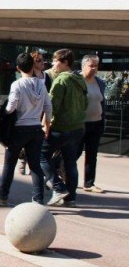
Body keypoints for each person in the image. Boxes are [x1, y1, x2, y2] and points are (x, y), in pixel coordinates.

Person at [0, 53, 52, 206]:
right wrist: (46, 123)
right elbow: (48, 106)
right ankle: (38, 200)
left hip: (19, 129)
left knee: (10, 164)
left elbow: (11, 108)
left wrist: (2, 110)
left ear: (17, 68)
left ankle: (2, 195)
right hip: (36, 128)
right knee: (35, 165)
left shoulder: (17, 84)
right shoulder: (41, 84)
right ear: (32, 66)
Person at [41, 49, 88, 207]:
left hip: (62, 127)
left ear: (65, 62)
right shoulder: (79, 79)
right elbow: (85, 104)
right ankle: (71, 198)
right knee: (70, 163)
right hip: (78, 127)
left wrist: (46, 125)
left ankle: (58, 187)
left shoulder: (61, 80)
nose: (53, 64)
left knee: (41, 156)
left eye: (56, 61)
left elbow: (52, 106)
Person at [77, 54, 106, 194]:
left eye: (96, 66)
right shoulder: (76, 80)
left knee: (92, 154)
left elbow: (101, 101)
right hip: (79, 124)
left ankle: (89, 183)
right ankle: (59, 175)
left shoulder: (100, 82)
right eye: (91, 66)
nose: (94, 69)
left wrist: (102, 120)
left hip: (96, 123)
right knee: (74, 153)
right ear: (83, 66)